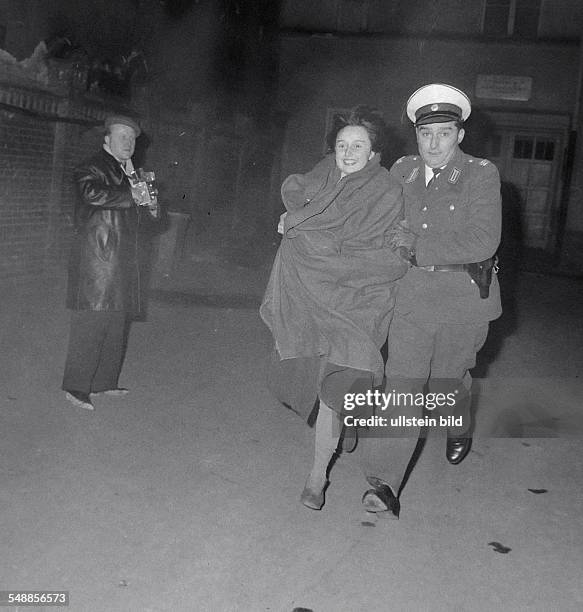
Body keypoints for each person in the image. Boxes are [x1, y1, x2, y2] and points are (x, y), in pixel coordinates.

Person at [359, 83, 502, 516]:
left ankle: (458, 413)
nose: (434, 143)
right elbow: (364, 204)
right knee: (404, 389)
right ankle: (385, 483)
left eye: (444, 133)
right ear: (416, 135)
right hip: (412, 299)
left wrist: (417, 245)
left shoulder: (481, 174)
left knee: (444, 384)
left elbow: (482, 239)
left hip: (462, 300)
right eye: (426, 134)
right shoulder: (401, 171)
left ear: (460, 134)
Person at [260, 106, 408, 511]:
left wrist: (302, 229)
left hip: (362, 299)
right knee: (324, 386)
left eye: (358, 145)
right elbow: (297, 195)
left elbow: (372, 249)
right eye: (342, 144)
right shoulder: (323, 174)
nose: (348, 152)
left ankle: (316, 476)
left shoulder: (386, 189)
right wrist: (294, 219)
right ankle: (333, 450)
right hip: (319, 298)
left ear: (374, 151)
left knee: (337, 389)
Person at [62, 114, 159, 411]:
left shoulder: (132, 172)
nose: (128, 143)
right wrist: (133, 193)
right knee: (91, 323)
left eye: (131, 139)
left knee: (116, 324)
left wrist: (152, 207)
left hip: (123, 261)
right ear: (107, 140)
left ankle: (104, 382)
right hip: (98, 260)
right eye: (122, 137)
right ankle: (76, 387)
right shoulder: (90, 166)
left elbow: (139, 214)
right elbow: (91, 193)